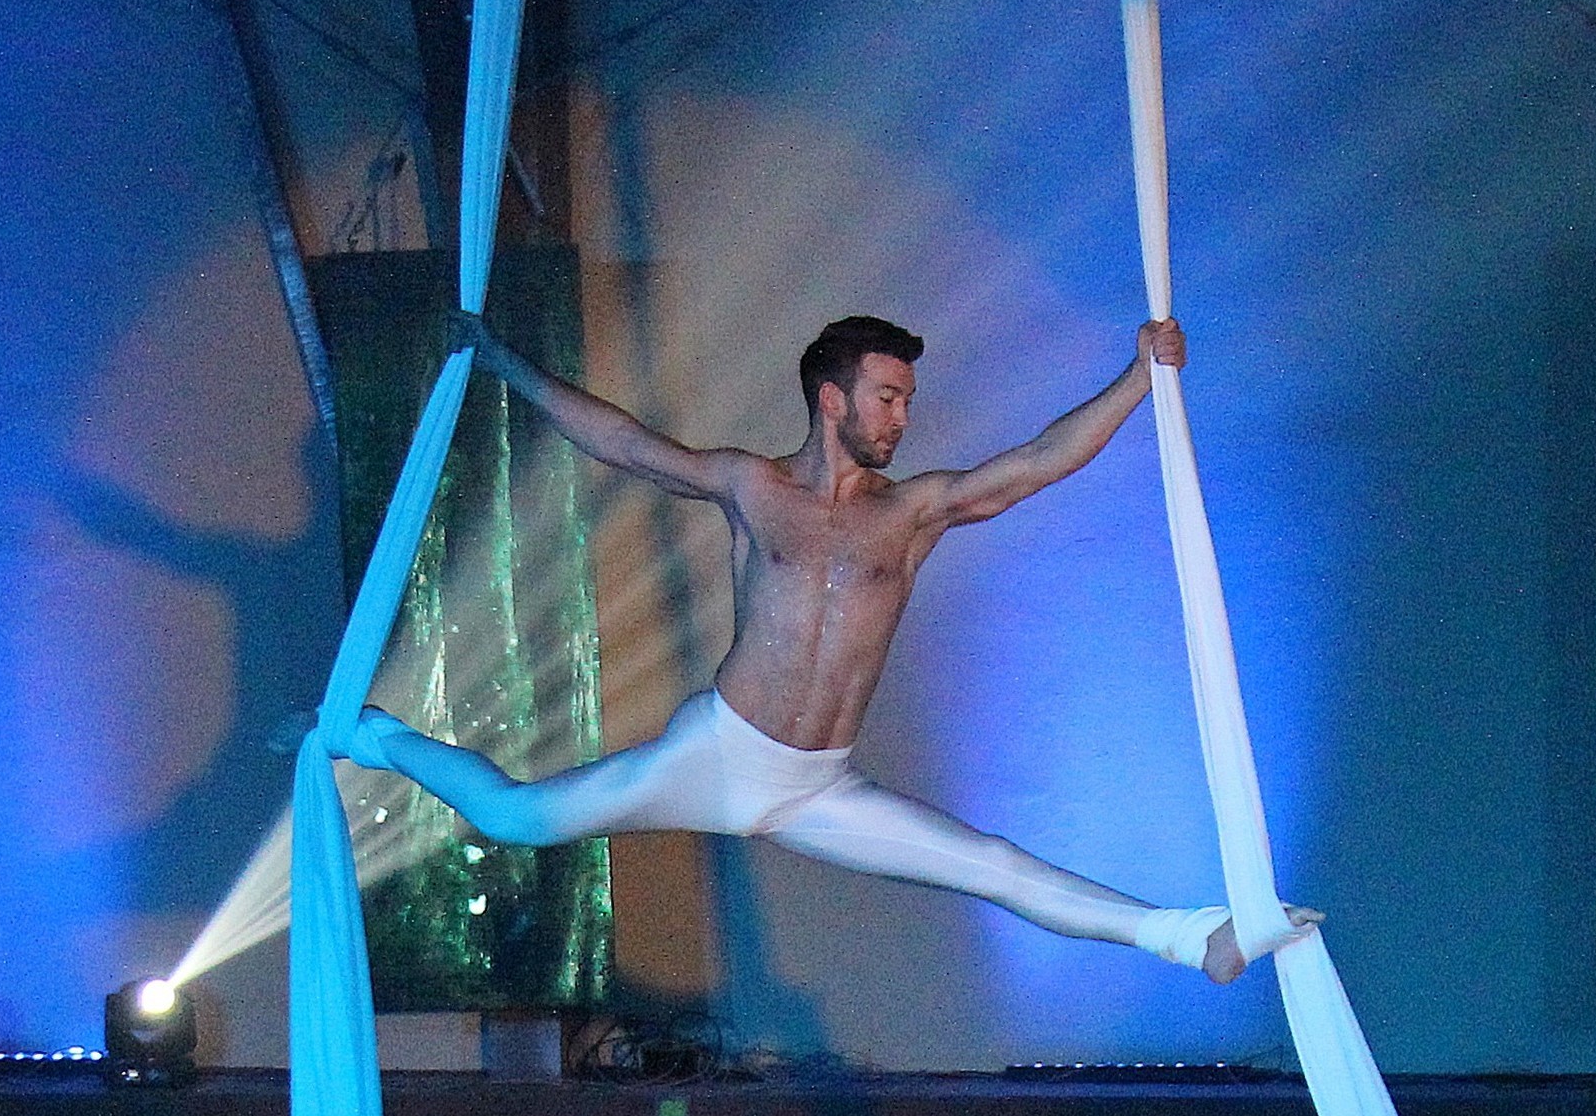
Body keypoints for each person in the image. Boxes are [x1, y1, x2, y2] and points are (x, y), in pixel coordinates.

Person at [344, 310, 1320, 981]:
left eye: (907, 400)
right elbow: (623, 444)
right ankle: (379, 736)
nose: (903, 418)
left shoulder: (913, 512)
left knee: (991, 863)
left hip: (816, 787)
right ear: (831, 399)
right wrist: (501, 361)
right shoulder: (752, 488)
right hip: (715, 753)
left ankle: (1196, 939)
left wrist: (1140, 376)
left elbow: (1035, 463)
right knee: (514, 817)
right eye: (887, 397)